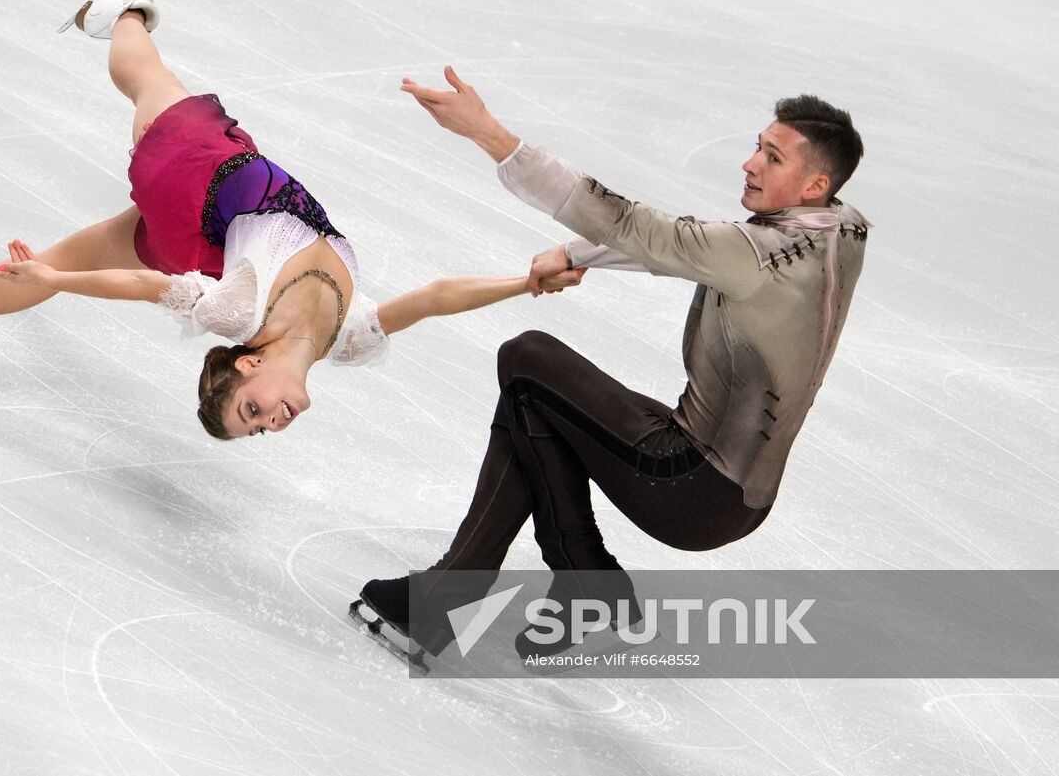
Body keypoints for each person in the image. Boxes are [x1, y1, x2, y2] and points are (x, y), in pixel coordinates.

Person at [0, 0, 586, 440]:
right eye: (261, 429)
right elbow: (437, 297)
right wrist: (523, 281)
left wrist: (57, 279)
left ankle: (122, 14)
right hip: (208, 224)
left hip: (200, 180)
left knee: (147, 79)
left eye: (250, 412)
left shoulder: (238, 315)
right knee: (93, 199)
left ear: (246, 367)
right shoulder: (348, 340)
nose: (272, 422)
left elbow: (143, 287)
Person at [356, 66, 869, 659]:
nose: (750, 163)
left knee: (528, 359)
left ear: (814, 184)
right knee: (540, 404)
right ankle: (559, 585)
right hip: (738, 496)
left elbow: (638, 225)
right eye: (758, 146)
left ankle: (512, 585)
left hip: (690, 484)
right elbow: (692, 250)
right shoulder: (844, 228)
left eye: (773, 158)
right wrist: (579, 254)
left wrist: (488, 134)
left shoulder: (758, 253)